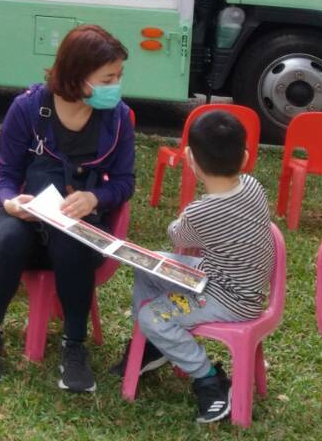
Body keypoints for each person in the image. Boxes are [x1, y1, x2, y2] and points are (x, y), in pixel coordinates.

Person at [0, 24, 136, 392]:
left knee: (72, 244)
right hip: (24, 218)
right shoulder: (28, 108)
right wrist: (11, 201)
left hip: (78, 225)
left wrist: (96, 198)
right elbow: (6, 173)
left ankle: (74, 347)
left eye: (119, 76)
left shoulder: (118, 117)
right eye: (108, 77)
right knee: (10, 238)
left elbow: (125, 182)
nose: (116, 85)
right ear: (77, 75)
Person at [111, 110, 274, 423]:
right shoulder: (253, 187)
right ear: (244, 158)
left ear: (190, 160)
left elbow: (177, 234)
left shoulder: (202, 212)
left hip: (230, 299)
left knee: (151, 315)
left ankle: (209, 378)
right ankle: (152, 348)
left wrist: (188, 214)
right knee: (148, 265)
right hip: (227, 277)